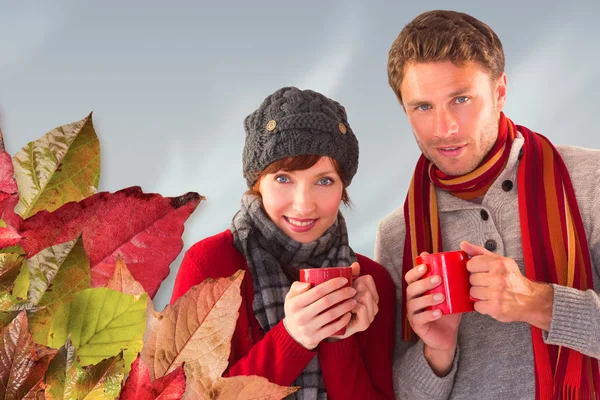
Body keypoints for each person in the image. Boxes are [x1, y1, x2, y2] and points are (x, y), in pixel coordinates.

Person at [375, 9, 600, 400]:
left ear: (499, 92)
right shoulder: (398, 235)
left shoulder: (590, 179)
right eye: (423, 107)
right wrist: (437, 352)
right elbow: (401, 394)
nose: (444, 128)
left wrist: (538, 303)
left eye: (460, 99)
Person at [172, 86, 395, 399]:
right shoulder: (211, 264)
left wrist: (337, 338)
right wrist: (292, 338)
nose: (303, 205)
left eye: (324, 181)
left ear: (343, 187)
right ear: (257, 182)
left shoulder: (372, 284)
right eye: (283, 178)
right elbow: (183, 395)